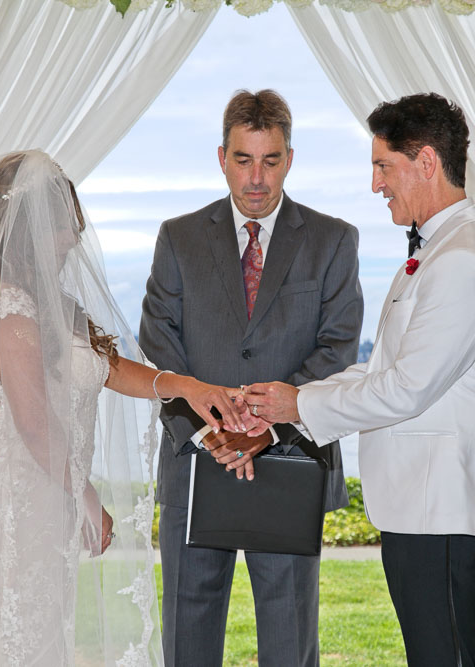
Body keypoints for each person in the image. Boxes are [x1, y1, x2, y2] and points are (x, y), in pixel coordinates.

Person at [0, 150, 244, 666]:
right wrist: (87, 498)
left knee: (29, 634)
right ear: (28, 225)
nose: (73, 240)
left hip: (41, 490)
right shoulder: (6, 308)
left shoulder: (40, 301)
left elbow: (108, 366)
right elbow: (34, 425)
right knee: (12, 640)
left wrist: (184, 385)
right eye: (63, 227)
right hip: (19, 496)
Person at [243, 93, 475, 667]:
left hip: (442, 507)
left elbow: (407, 389)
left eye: (382, 166)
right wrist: (285, 404)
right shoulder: (436, 250)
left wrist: (301, 407)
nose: (375, 184)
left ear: (426, 162)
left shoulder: (461, 260)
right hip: (422, 507)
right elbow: (384, 368)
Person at [139, 89, 363, 666]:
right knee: (188, 635)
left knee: (290, 639)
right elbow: (158, 343)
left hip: (289, 460)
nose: (256, 179)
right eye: (243, 160)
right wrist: (210, 430)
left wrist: (264, 429)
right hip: (196, 461)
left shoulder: (334, 239)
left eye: (270, 160)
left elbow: (337, 347)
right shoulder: (177, 237)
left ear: (290, 158)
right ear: (221, 157)